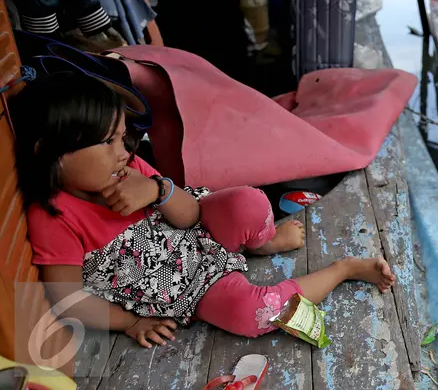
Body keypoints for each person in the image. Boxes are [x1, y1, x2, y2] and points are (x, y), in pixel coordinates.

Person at [11, 72, 396, 348]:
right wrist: (130, 323)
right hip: (192, 288)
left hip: (201, 232)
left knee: (248, 201)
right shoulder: (54, 217)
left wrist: (156, 189)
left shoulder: (130, 170)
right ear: (50, 153)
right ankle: (344, 269)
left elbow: (192, 215)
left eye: (122, 136)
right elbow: (68, 298)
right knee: (255, 313)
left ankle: (258, 242)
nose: (124, 150)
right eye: (108, 142)